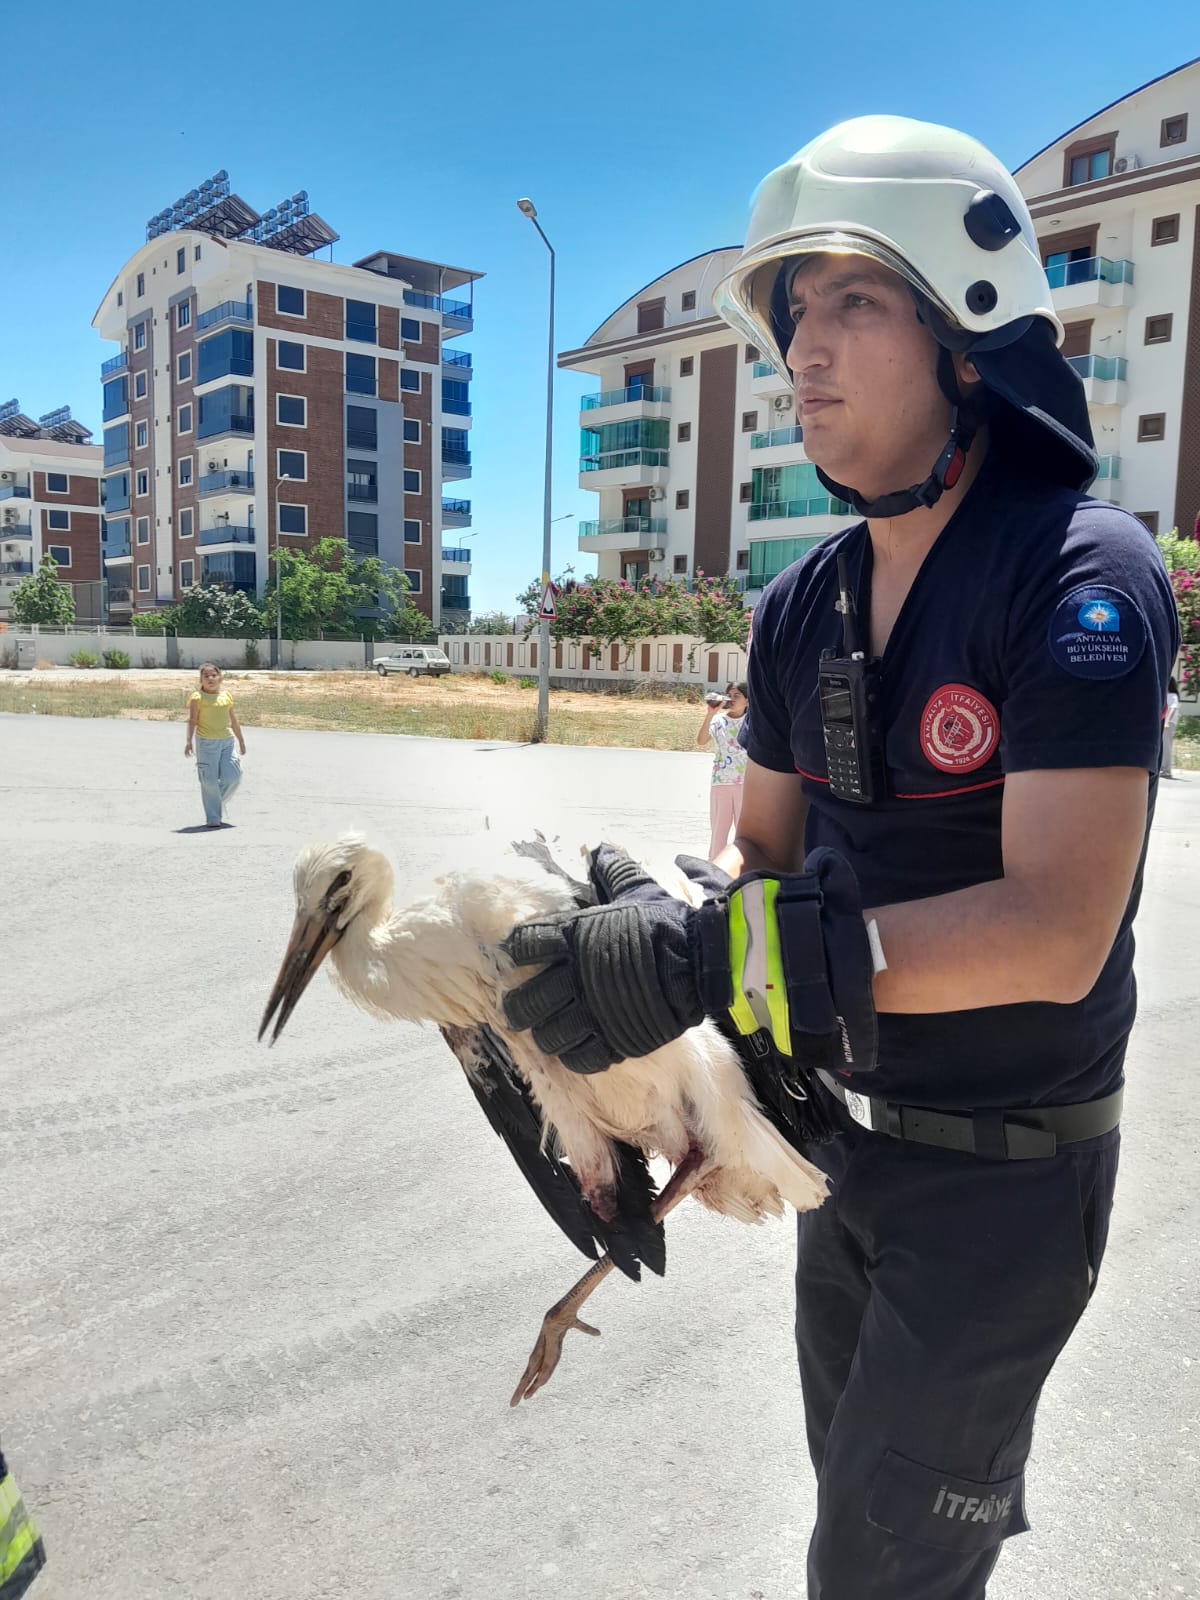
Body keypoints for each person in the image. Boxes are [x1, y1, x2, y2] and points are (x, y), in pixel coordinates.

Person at [501, 115, 1178, 1599]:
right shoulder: (797, 608)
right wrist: (653, 950)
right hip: (840, 1159)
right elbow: (757, 861)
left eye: (853, 302)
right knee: (879, 1544)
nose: (803, 347)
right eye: (792, 311)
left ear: (964, 333)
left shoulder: (1083, 573)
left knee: (870, 1577)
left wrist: (715, 957)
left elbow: (1059, 928)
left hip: (1007, 1190)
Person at [184, 663, 245, 828]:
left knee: (233, 775)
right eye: (206, 676)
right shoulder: (197, 697)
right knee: (209, 781)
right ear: (201, 680)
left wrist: (241, 740)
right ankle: (213, 816)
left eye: (214, 675)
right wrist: (189, 741)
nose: (210, 679)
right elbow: (192, 720)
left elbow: (233, 720)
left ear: (220, 678)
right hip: (206, 743)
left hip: (227, 741)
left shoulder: (226, 696)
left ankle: (216, 800)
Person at [697, 681, 749, 859]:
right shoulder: (719, 721)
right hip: (721, 783)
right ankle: (714, 871)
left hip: (744, 784)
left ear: (747, 701)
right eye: (730, 695)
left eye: (737, 696)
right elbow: (701, 740)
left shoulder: (751, 722)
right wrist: (710, 714)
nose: (732, 699)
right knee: (719, 831)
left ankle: (741, 869)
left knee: (743, 834)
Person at [1161, 674, 1180, 776]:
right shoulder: (1166, 694)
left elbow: (1172, 709)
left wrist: (1167, 722)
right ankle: (1163, 768)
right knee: (1162, 746)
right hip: (1163, 723)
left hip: (1168, 723)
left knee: (1167, 747)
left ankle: (1167, 771)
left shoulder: (1173, 696)